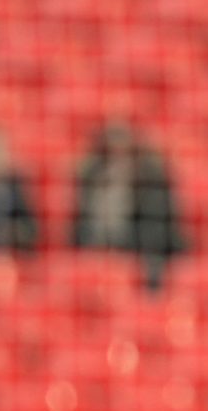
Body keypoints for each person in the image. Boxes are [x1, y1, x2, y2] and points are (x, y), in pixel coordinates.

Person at [70, 120, 185, 291]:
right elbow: (80, 228)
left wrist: (126, 254)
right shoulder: (92, 178)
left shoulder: (152, 179)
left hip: (145, 254)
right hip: (99, 252)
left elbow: (158, 231)